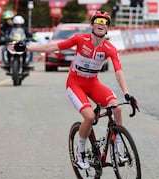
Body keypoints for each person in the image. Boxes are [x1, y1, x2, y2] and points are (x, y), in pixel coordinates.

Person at [11, 10, 138, 169]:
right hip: (75, 83)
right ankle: (80, 152)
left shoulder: (110, 48)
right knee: (90, 117)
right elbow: (52, 47)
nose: (101, 24)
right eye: (98, 21)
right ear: (92, 25)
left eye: (104, 22)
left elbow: (119, 71)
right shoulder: (80, 39)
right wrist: (26, 48)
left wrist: (126, 93)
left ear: (107, 28)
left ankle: (118, 151)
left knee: (117, 108)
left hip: (93, 84)